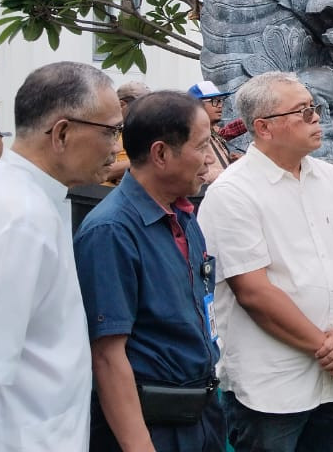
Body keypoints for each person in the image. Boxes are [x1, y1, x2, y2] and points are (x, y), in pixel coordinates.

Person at [0, 61, 122, 450]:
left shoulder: (28, 198)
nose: (116, 147)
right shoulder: (17, 215)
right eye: (111, 131)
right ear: (63, 133)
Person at [199, 71, 333, 452]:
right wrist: (332, 353)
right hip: (272, 386)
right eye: (303, 111)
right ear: (263, 127)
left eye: (315, 107)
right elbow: (254, 292)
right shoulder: (232, 193)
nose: (317, 117)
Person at [73, 91, 225, 452]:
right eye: (202, 146)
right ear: (161, 154)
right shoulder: (111, 231)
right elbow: (108, 357)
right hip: (152, 428)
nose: (209, 160)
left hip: (201, 418)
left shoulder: (184, 216)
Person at [188, 80, 236, 183]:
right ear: (197, 105)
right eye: (214, 101)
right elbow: (195, 173)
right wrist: (233, 173)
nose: (220, 105)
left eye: (221, 101)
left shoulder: (213, 132)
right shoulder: (191, 135)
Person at [105, 80, 152, 184]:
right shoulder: (105, 131)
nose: (147, 111)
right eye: (142, 106)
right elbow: (103, 172)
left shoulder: (147, 133)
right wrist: (146, 163)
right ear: (122, 105)